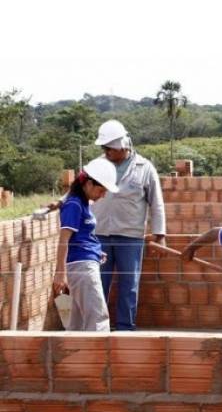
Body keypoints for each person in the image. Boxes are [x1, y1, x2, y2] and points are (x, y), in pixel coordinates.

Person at [92, 119, 166, 331]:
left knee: (129, 285)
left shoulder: (144, 168)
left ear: (124, 145)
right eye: (103, 148)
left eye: (109, 148)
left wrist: (159, 234)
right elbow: (77, 191)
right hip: (99, 234)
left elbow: (156, 203)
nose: (106, 152)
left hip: (130, 237)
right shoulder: (96, 166)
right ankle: (98, 327)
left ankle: (125, 327)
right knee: (98, 284)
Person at [52, 158, 119, 332]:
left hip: (85, 263)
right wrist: (60, 273)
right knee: (98, 318)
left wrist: (96, 251)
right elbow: (63, 239)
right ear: (89, 184)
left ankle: (74, 357)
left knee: (78, 323)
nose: (103, 195)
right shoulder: (74, 204)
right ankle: (99, 358)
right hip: (81, 267)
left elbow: (81, 236)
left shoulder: (81, 203)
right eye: (101, 190)